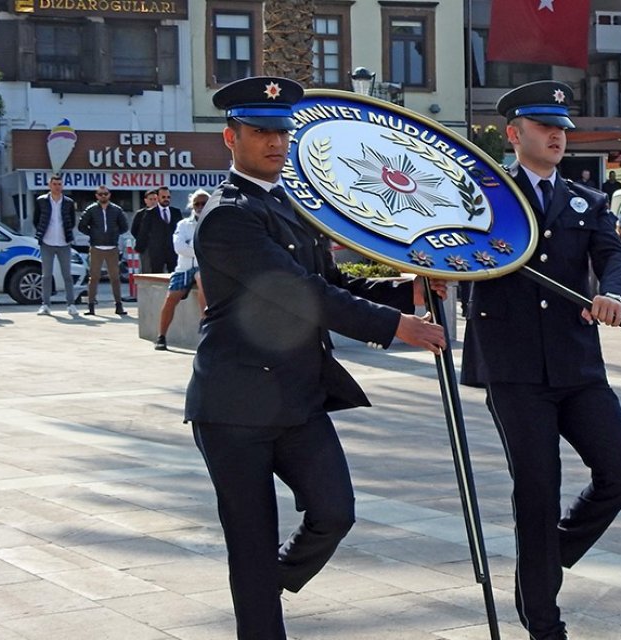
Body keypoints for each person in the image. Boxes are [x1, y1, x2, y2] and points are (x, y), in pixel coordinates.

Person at [185, 76, 447, 640]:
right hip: (234, 406)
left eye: (282, 132)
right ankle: (260, 599)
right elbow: (299, 292)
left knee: (334, 511)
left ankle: (268, 577)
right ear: (230, 138)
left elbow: (329, 279)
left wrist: (411, 291)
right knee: (251, 538)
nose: (275, 143)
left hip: (298, 399)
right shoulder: (227, 215)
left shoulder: (291, 206)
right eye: (260, 132)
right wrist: (395, 327)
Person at [461, 80, 621, 640]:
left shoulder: (586, 201)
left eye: (563, 127)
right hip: (512, 366)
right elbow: (448, 247)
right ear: (514, 134)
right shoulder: (484, 196)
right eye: (545, 127)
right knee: (537, 489)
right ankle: (544, 622)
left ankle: (550, 553)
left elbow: (614, 258)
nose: (558, 135)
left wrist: (612, 292)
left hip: (576, 363)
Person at [155, 189, 210, 350]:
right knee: (171, 297)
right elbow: (179, 247)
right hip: (184, 268)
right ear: (192, 206)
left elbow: (214, 249)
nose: (200, 206)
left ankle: (204, 326)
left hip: (204, 267)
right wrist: (199, 249)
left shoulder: (214, 224)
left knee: (202, 278)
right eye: (197, 203)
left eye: (203, 203)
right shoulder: (183, 224)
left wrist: (191, 246)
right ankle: (161, 336)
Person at [77, 185, 129, 316]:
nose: (103, 196)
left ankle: (118, 305)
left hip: (112, 247)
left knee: (115, 278)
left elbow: (124, 226)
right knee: (94, 277)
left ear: (109, 195)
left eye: (105, 194)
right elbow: (81, 225)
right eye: (100, 194)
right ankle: (91, 306)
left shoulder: (116, 210)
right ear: (96, 196)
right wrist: (93, 234)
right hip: (96, 247)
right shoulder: (91, 209)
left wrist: (114, 234)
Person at [34, 174, 79, 316]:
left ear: (62, 186)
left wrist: (67, 234)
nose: (57, 187)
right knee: (46, 275)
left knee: (67, 275)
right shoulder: (41, 201)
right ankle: (45, 304)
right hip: (47, 242)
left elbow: (72, 221)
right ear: (49, 185)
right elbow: (36, 219)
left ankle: (71, 304)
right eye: (54, 184)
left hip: (63, 242)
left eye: (59, 184)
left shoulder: (68, 202)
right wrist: (42, 232)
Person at [132, 186, 182, 273]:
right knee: (157, 278)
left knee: (174, 276)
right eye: (163, 197)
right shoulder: (150, 213)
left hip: (173, 252)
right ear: (158, 197)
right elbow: (143, 232)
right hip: (156, 253)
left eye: (168, 197)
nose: (166, 199)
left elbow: (180, 231)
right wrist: (140, 247)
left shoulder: (176, 212)